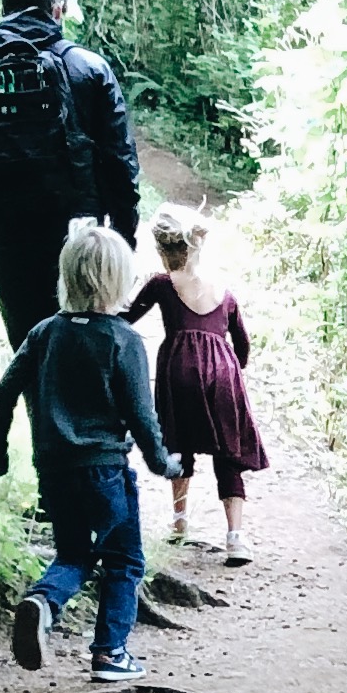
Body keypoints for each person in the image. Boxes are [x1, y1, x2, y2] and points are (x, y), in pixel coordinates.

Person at [0, 220, 177, 689]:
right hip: (104, 471)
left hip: (53, 471)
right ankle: (107, 650)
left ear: (67, 275)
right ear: (120, 281)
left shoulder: (46, 332)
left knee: (73, 552)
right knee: (124, 561)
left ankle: (44, 605)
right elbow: (141, 415)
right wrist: (161, 462)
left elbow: (5, 393)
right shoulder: (123, 340)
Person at [0, 0, 144, 351]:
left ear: (4, 8)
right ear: (58, 9)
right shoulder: (89, 69)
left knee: (32, 353)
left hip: (8, 240)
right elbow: (121, 165)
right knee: (90, 352)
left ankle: (42, 413)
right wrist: (123, 239)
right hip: (82, 239)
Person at [132, 208, 269, 565]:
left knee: (179, 443)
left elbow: (126, 317)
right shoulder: (224, 292)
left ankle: (179, 523)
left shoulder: (162, 284)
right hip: (224, 375)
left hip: (178, 373)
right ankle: (235, 537)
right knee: (229, 454)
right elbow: (243, 347)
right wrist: (226, 370)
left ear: (164, 251)